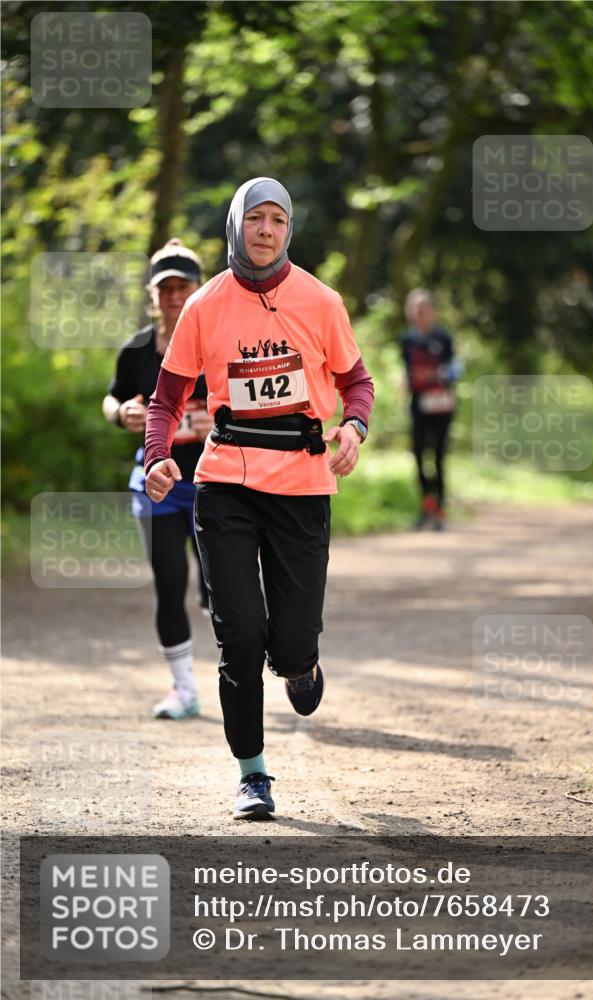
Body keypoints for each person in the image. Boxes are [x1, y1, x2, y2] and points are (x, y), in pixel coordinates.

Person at [144, 178, 374, 820]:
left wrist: (353, 427)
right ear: (236, 226)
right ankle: (253, 774)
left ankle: (301, 662)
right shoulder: (205, 306)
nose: (266, 230)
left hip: (302, 484)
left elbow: (358, 382)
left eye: (277, 219)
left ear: (289, 229)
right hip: (226, 484)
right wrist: (158, 456)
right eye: (255, 218)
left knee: (292, 644)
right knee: (239, 634)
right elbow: (166, 400)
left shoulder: (321, 301)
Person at [103, 238, 211, 720]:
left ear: (198, 289)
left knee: (224, 588)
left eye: (182, 286)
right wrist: (120, 411)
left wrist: (219, 420)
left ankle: (241, 672)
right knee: (170, 584)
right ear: (153, 294)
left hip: (216, 481)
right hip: (158, 485)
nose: (173, 296)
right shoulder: (137, 350)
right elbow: (113, 397)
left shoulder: (219, 344)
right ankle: (184, 689)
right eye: (164, 288)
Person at [401, 288, 460, 531]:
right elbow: (407, 370)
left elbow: (455, 369)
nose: (419, 313)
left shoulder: (444, 338)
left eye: (423, 309)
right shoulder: (407, 339)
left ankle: (441, 511)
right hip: (418, 405)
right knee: (418, 455)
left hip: (442, 406)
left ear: (432, 311)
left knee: (438, 457)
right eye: (415, 309)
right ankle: (426, 507)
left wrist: (439, 375)